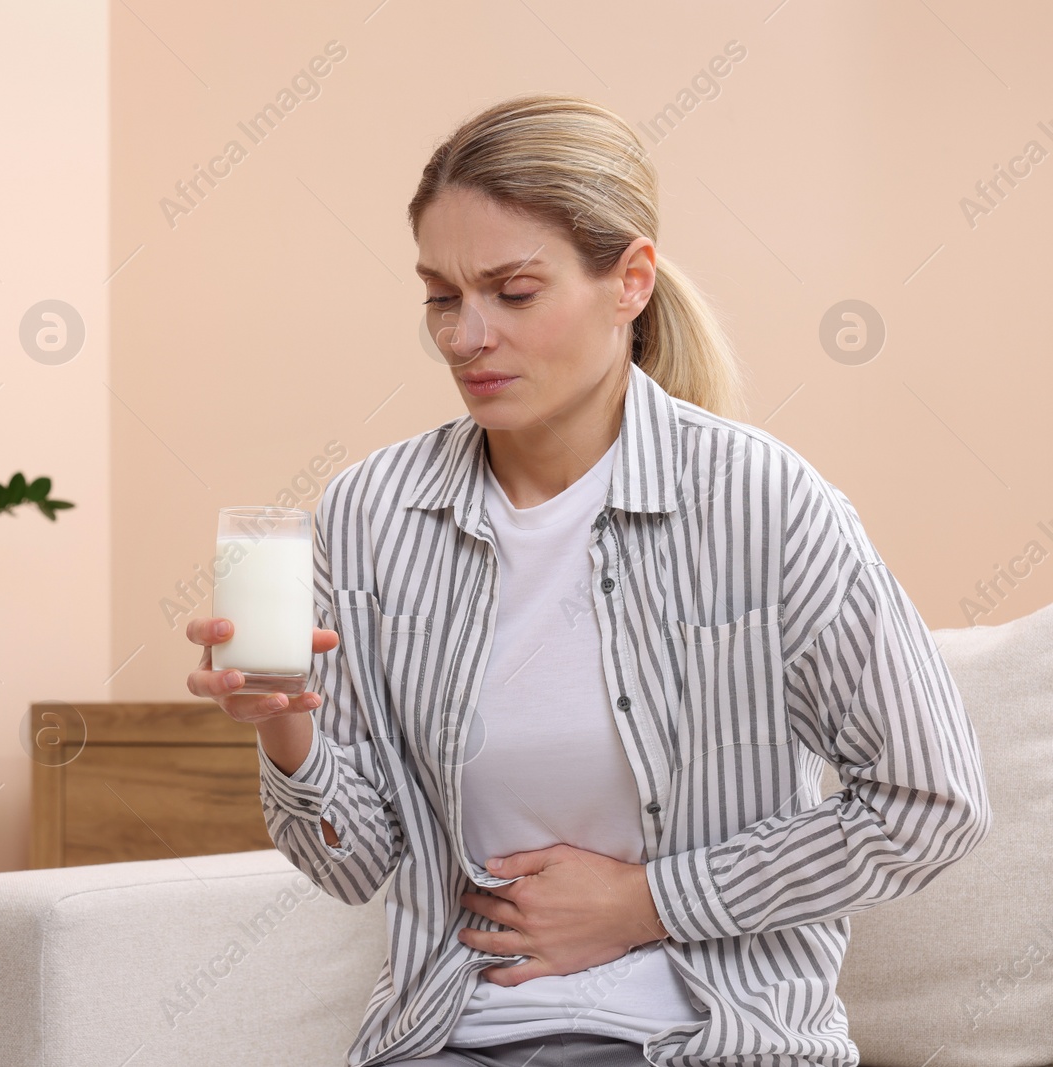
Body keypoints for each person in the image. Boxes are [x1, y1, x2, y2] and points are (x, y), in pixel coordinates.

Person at [184, 92, 990, 1067]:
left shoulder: (762, 500)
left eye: (512, 292)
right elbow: (352, 865)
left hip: (701, 1039)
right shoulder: (371, 509)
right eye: (442, 294)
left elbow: (931, 801)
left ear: (630, 281)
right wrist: (286, 722)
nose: (464, 335)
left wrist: (646, 903)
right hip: (444, 1039)